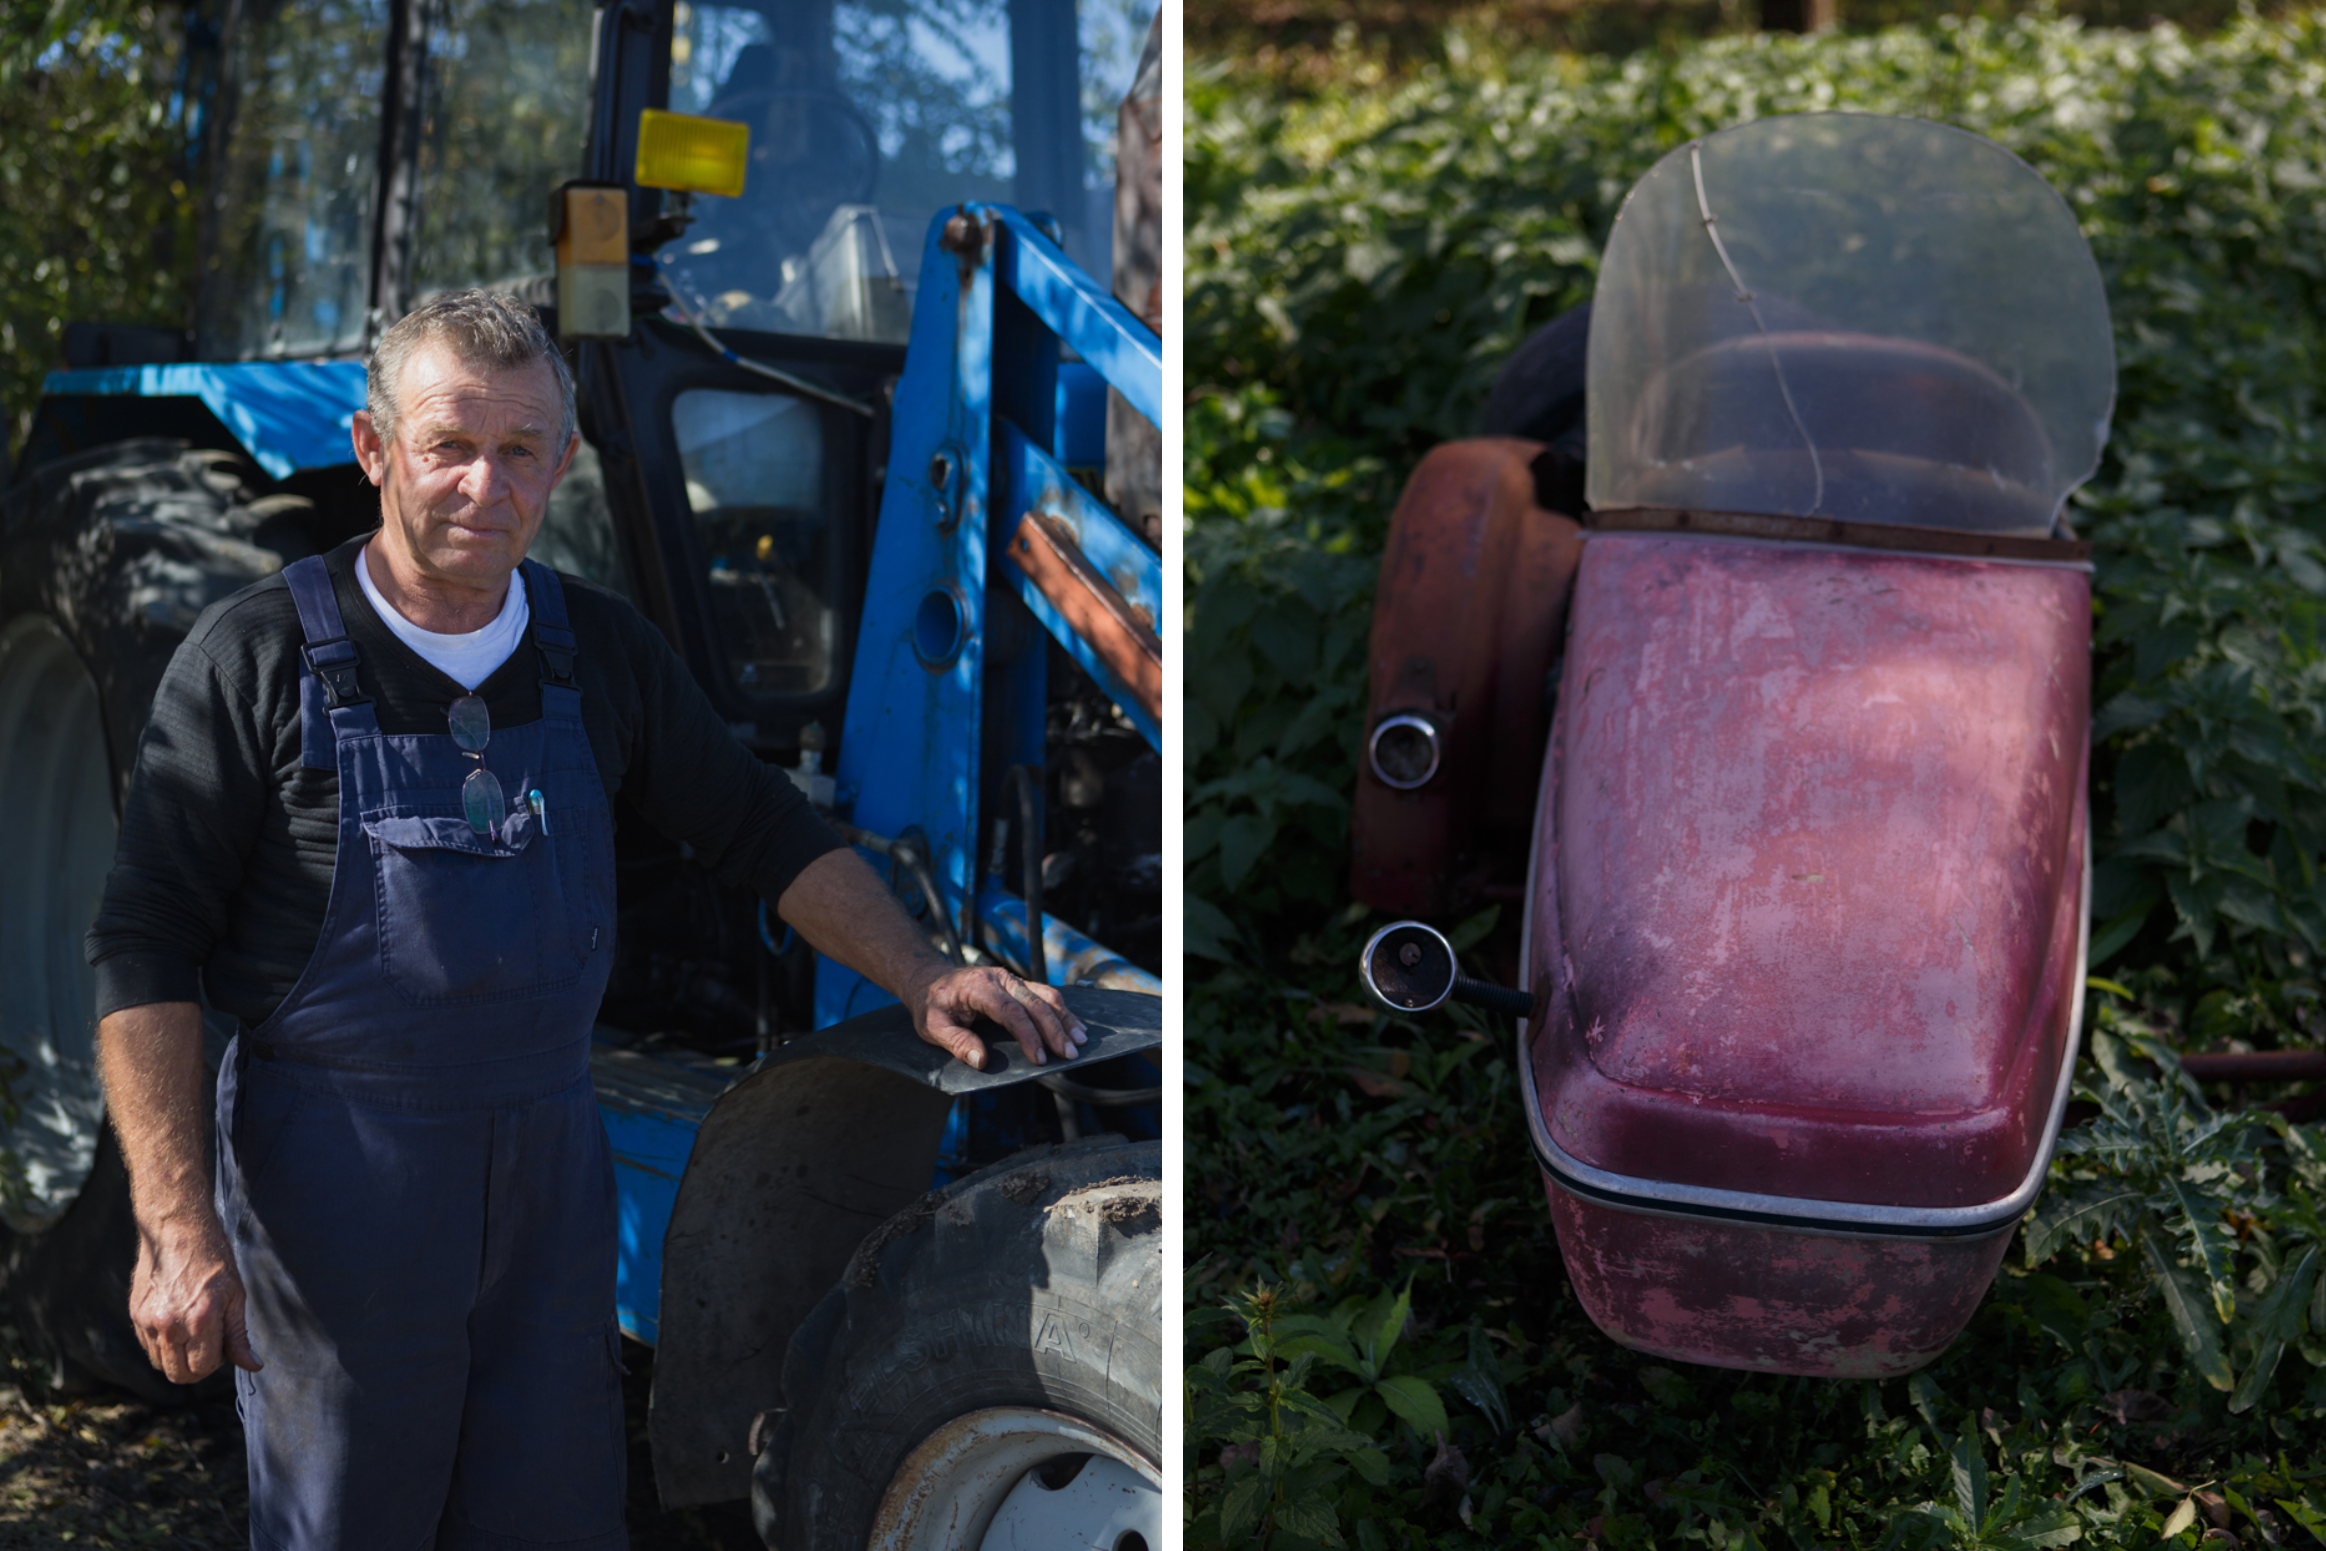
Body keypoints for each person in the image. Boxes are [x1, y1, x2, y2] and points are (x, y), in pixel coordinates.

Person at [83, 288, 1083, 1551]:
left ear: (562, 461)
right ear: (372, 448)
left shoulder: (595, 651)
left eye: (517, 452)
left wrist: (921, 972)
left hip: (554, 1179)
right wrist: (177, 1230)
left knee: (552, 1514)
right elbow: (146, 945)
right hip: (337, 1182)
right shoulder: (257, 656)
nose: (481, 486)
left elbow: (759, 828)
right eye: (448, 445)